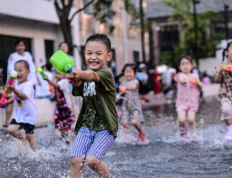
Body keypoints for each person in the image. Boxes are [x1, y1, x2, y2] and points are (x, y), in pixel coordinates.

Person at [67, 33, 118, 178]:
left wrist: (80, 73)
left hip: (106, 127)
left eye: (98, 53)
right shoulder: (85, 76)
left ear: (108, 56)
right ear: (84, 54)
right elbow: (78, 88)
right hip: (86, 125)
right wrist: (75, 80)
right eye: (89, 53)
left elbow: (93, 76)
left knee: (92, 160)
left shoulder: (106, 74)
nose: (93, 57)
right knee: (76, 160)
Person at [1, 60, 37, 151]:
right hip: (19, 114)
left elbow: (23, 96)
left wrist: (14, 89)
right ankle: (23, 140)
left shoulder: (28, 84)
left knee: (29, 135)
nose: (18, 73)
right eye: (16, 70)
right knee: (11, 130)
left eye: (20, 70)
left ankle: (35, 153)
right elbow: (15, 96)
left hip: (29, 114)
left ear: (28, 72)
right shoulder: (16, 84)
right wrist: (7, 102)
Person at [2, 38, 37, 129]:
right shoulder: (13, 56)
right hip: (15, 82)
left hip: (26, 82)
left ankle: (23, 125)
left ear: (25, 46)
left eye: (22, 45)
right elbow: (11, 70)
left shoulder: (28, 55)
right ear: (15, 47)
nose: (20, 47)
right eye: (18, 45)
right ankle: (7, 121)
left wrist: (35, 81)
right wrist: (11, 83)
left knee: (24, 99)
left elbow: (32, 68)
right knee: (13, 99)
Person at [175, 55, 203, 138]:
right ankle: (183, 129)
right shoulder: (179, 75)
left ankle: (193, 133)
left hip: (193, 102)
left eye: (187, 63)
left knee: (191, 119)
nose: (185, 66)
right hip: (181, 102)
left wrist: (197, 83)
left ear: (191, 65)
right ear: (179, 67)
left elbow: (201, 86)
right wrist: (187, 81)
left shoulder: (195, 76)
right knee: (181, 119)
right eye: (183, 64)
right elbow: (181, 81)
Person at [44, 70, 74, 143]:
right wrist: (53, 79)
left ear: (65, 75)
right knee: (59, 123)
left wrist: (48, 80)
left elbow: (56, 85)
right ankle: (63, 137)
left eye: (59, 74)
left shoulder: (64, 81)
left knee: (67, 124)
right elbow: (54, 88)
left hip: (65, 106)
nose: (57, 75)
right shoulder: (57, 81)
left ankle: (70, 139)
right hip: (59, 106)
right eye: (56, 73)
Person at [119, 62, 146, 142]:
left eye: (130, 72)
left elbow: (133, 87)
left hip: (135, 105)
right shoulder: (123, 82)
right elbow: (120, 93)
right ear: (124, 73)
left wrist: (125, 88)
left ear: (134, 73)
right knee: (124, 123)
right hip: (125, 105)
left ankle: (141, 132)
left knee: (134, 122)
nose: (128, 74)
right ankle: (127, 138)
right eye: (126, 72)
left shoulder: (136, 82)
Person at [213, 41, 232, 140]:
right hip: (226, 94)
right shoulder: (221, 66)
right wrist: (220, 72)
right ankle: (230, 131)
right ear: (227, 52)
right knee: (226, 110)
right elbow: (216, 81)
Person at [59, 42, 79, 118]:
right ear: (59, 48)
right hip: (60, 84)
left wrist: (64, 75)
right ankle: (67, 121)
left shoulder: (71, 58)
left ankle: (76, 119)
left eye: (65, 46)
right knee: (63, 103)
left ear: (68, 48)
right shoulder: (57, 59)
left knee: (72, 102)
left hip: (70, 83)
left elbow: (75, 70)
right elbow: (54, 72)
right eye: (62, 46)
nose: (63, 48)